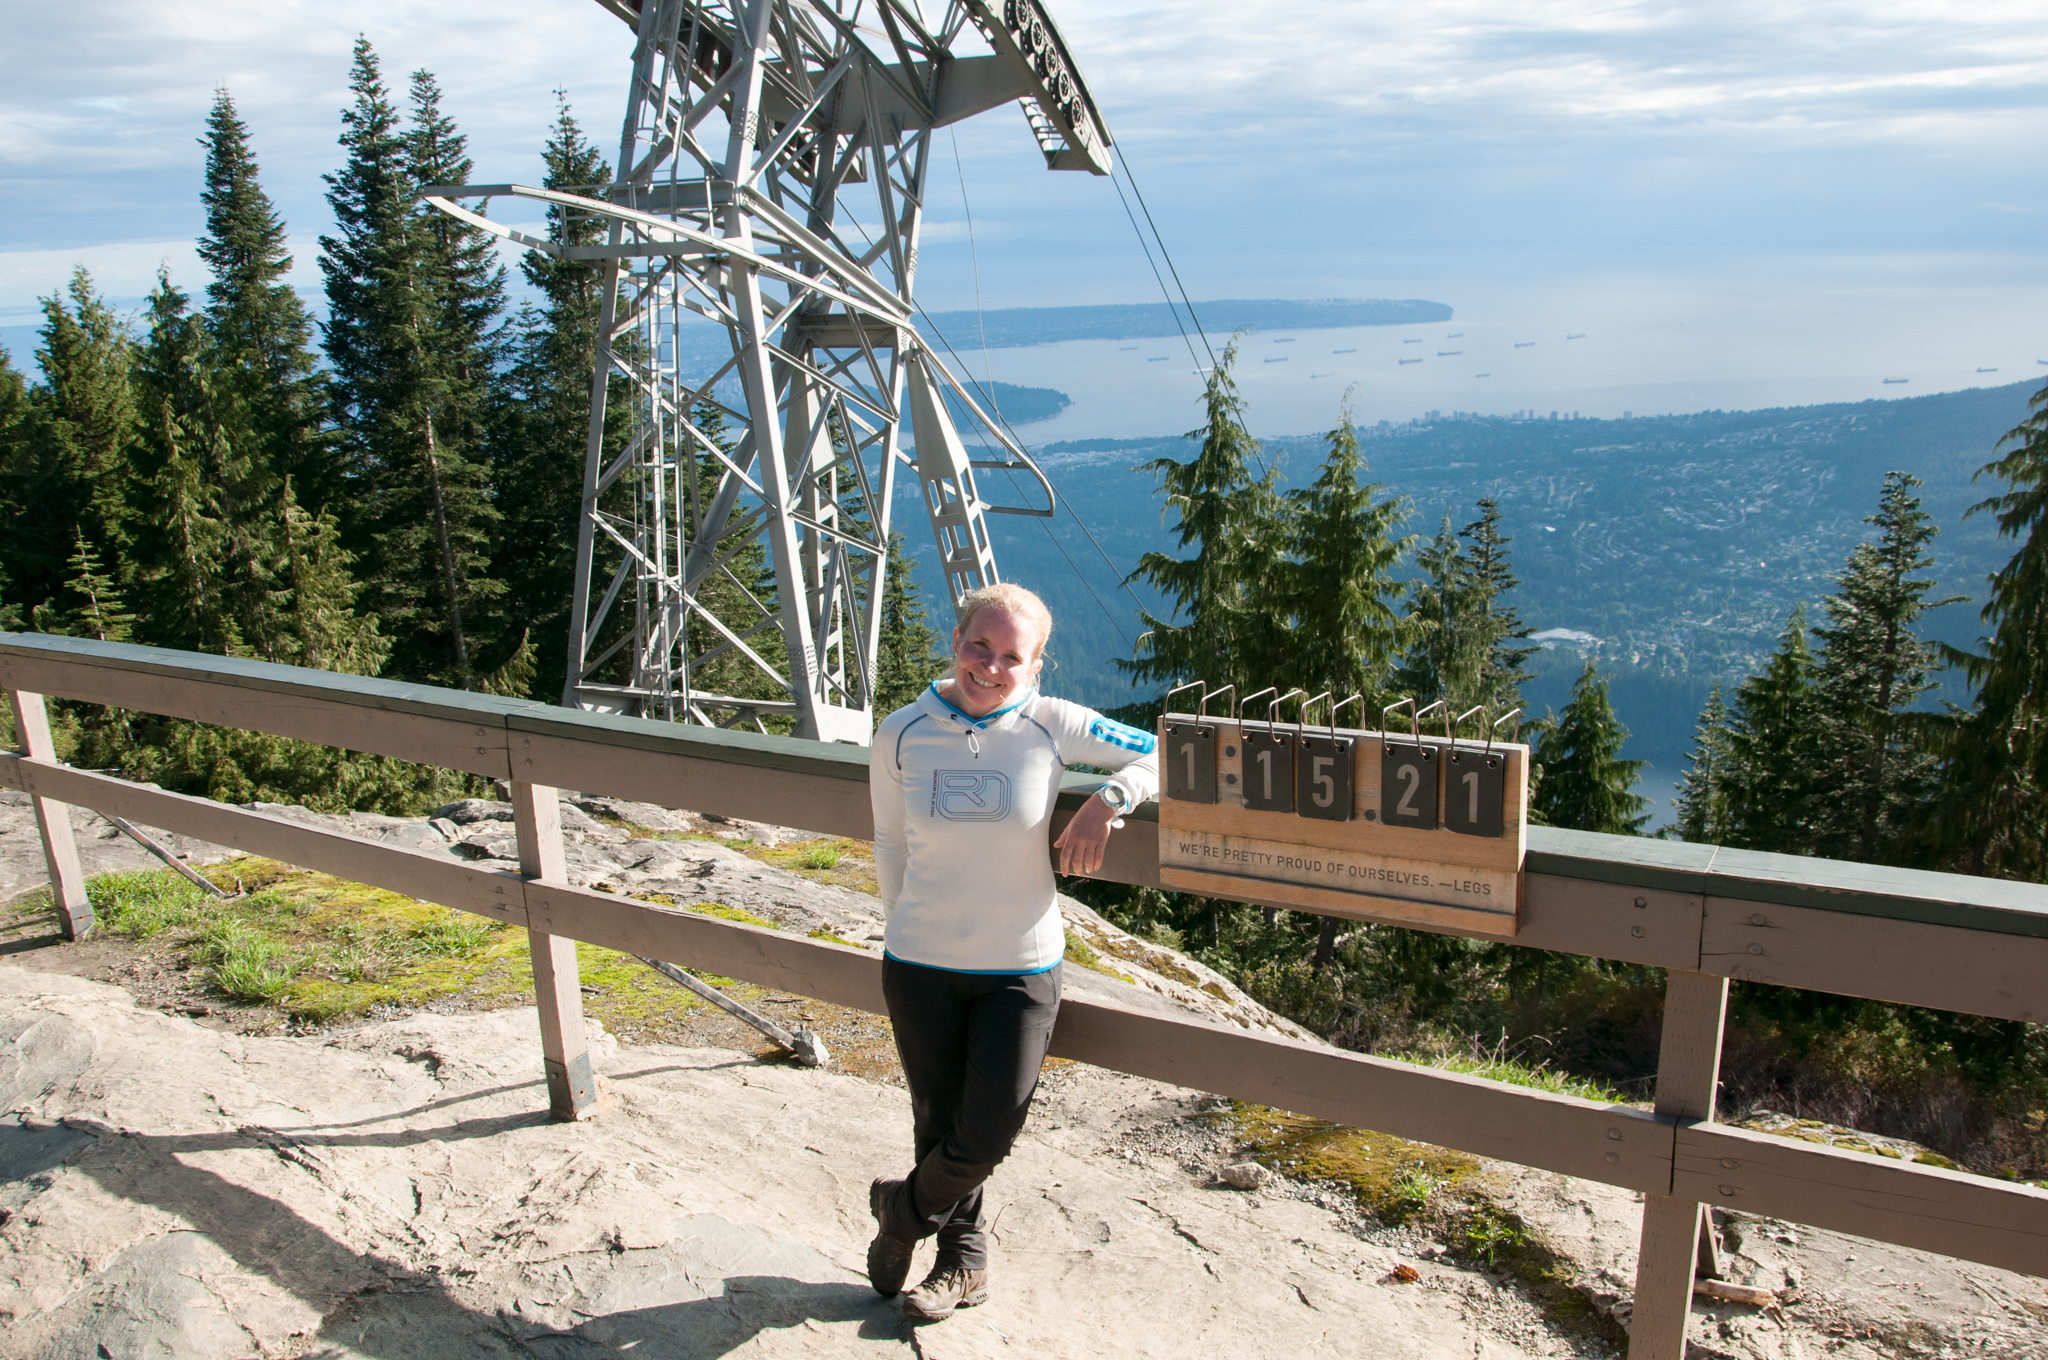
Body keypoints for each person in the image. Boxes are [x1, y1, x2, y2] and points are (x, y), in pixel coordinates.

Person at [865, 582, 1159, 1321]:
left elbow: (1166, 755)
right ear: (956, 639)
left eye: (1011, 657)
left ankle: (898, 1213)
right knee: (937, 1122)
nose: (991, 668)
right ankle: (963, 1264)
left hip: (1019, 969)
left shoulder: (1052, 724)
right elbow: (890, 840)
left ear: (1037, 666)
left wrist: (1108, 800)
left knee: (987, 1131)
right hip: (919, 965)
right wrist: (906, 924)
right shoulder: (901, 731)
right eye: (979, 647)